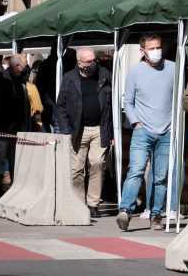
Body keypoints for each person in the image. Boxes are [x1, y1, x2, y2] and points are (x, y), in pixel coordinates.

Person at [116, 33, 176, 232]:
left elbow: (179, 98)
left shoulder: (173, 68)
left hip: (167, 131)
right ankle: (125, 210)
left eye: (158, 47)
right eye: (151, 48)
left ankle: (156, 214)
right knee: (136, 170)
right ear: (142, 51)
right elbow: (128, 101)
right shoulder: (135, 72)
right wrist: (136, 123)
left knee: (161, 177)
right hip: (143, 131)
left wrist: (174, 123)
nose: (156, 51)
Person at [54, 48, 114, 218]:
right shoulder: (69, 78)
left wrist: (113, 132)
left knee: (97, 164)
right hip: (77, 130)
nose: (92, 64)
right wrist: (66, 130)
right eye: (88, 62)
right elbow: (61, 107)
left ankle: (93, 203)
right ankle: (79, 203)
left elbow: (114, 103)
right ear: (79, 63)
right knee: (76, 169)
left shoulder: (105, 75)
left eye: (93, 60)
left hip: (100, 128)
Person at [0, 55, 31, 191]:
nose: (26, 68)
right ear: (17, 66)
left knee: (15, 159)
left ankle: (13, 187)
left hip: (17, 128)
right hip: (3, 128)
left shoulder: (19, 81)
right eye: (25, 65)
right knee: (0, 159)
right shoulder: (1, 82)